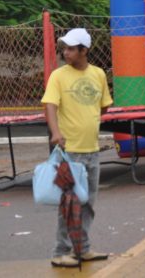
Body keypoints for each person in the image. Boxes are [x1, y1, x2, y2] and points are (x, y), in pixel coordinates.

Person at [42, 28, 112, 268]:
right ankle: (60, 251)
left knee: (88, 203)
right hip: (69, 151)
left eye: (71, 48)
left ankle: (82, 249)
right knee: (68, 204)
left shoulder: (98, 74)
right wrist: (56, 132)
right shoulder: (58, 76)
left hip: (92, 149)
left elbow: (104, 106)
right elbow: (50, 105)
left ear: (84, 50)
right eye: (65, 48)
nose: (66, 52)